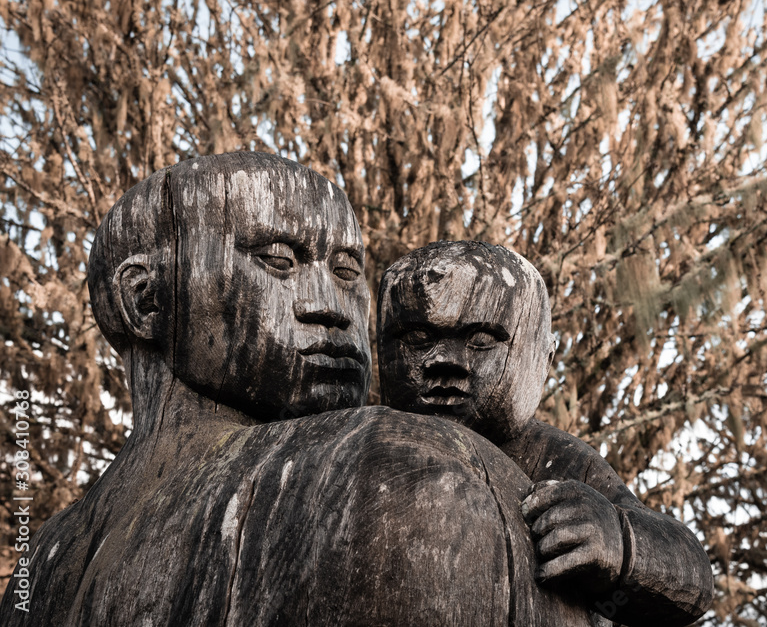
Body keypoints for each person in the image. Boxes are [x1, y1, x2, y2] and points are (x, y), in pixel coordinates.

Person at [0, 153, 594, 626]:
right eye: (279, 260)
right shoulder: (387, 469)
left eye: (346, 273)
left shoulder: (36, 568)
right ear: (146, 300)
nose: (330, 308)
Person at [378, 241, 714, 625]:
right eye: (418, 339)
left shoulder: (555, 458)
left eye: (482, 341)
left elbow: (694, 578)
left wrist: (621, 543)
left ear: (543, 359)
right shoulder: (363, 442)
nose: (445, 361)